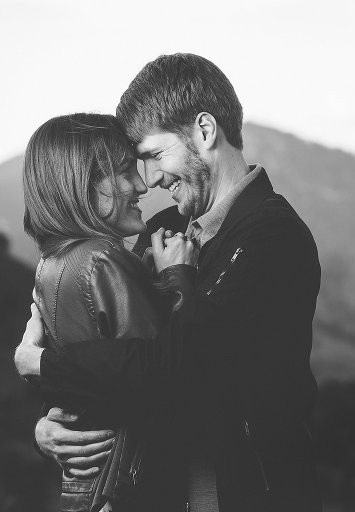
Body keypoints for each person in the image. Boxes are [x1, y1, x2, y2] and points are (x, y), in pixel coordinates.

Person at [15, 53, 323, 512]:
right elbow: (118, 345)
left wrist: (43, 364)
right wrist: (54, 426)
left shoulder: (273, 237)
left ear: (204, 131)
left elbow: (175, 368)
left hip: (247, 494)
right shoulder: (160, 227)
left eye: (155, 156)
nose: (151, 180)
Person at [21, 113, 197, 511]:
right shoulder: (102, 260)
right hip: (131, 486)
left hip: (85, 483)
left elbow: (87, 374)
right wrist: (177, 278)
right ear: (82, 184)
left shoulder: (50, 265)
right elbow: (166, 373)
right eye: (123, 172)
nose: (141, 185)